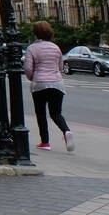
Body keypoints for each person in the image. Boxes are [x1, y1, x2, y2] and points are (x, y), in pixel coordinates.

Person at [23, 20, 74, 152]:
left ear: (35, 33)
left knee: (40, 113)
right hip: (57, 83)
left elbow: (28, 69)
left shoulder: (32, 48)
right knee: (56, 113)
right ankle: (66, 131)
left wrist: (32, 77)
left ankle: (45, 142)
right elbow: (61, 67)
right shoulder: (56, 47)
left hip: (39, 84)